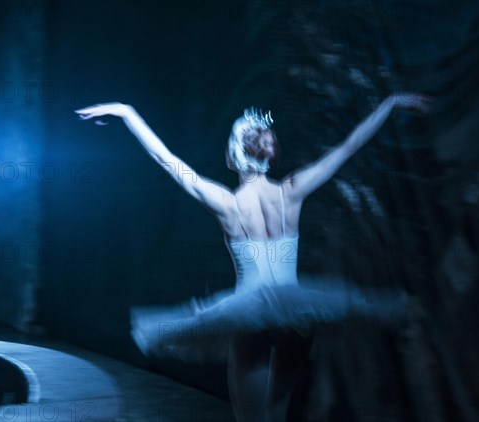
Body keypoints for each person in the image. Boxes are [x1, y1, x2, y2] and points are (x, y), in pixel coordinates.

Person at [75, 93, 432, 421]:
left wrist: (127, 112)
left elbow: (167, 161)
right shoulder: (292, 192)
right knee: (277, 412)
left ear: (232, 157)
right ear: (267, 152)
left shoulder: (226, 204)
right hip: (296, 312)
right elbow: (347, 147)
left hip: (250, 314)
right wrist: (389, 104)